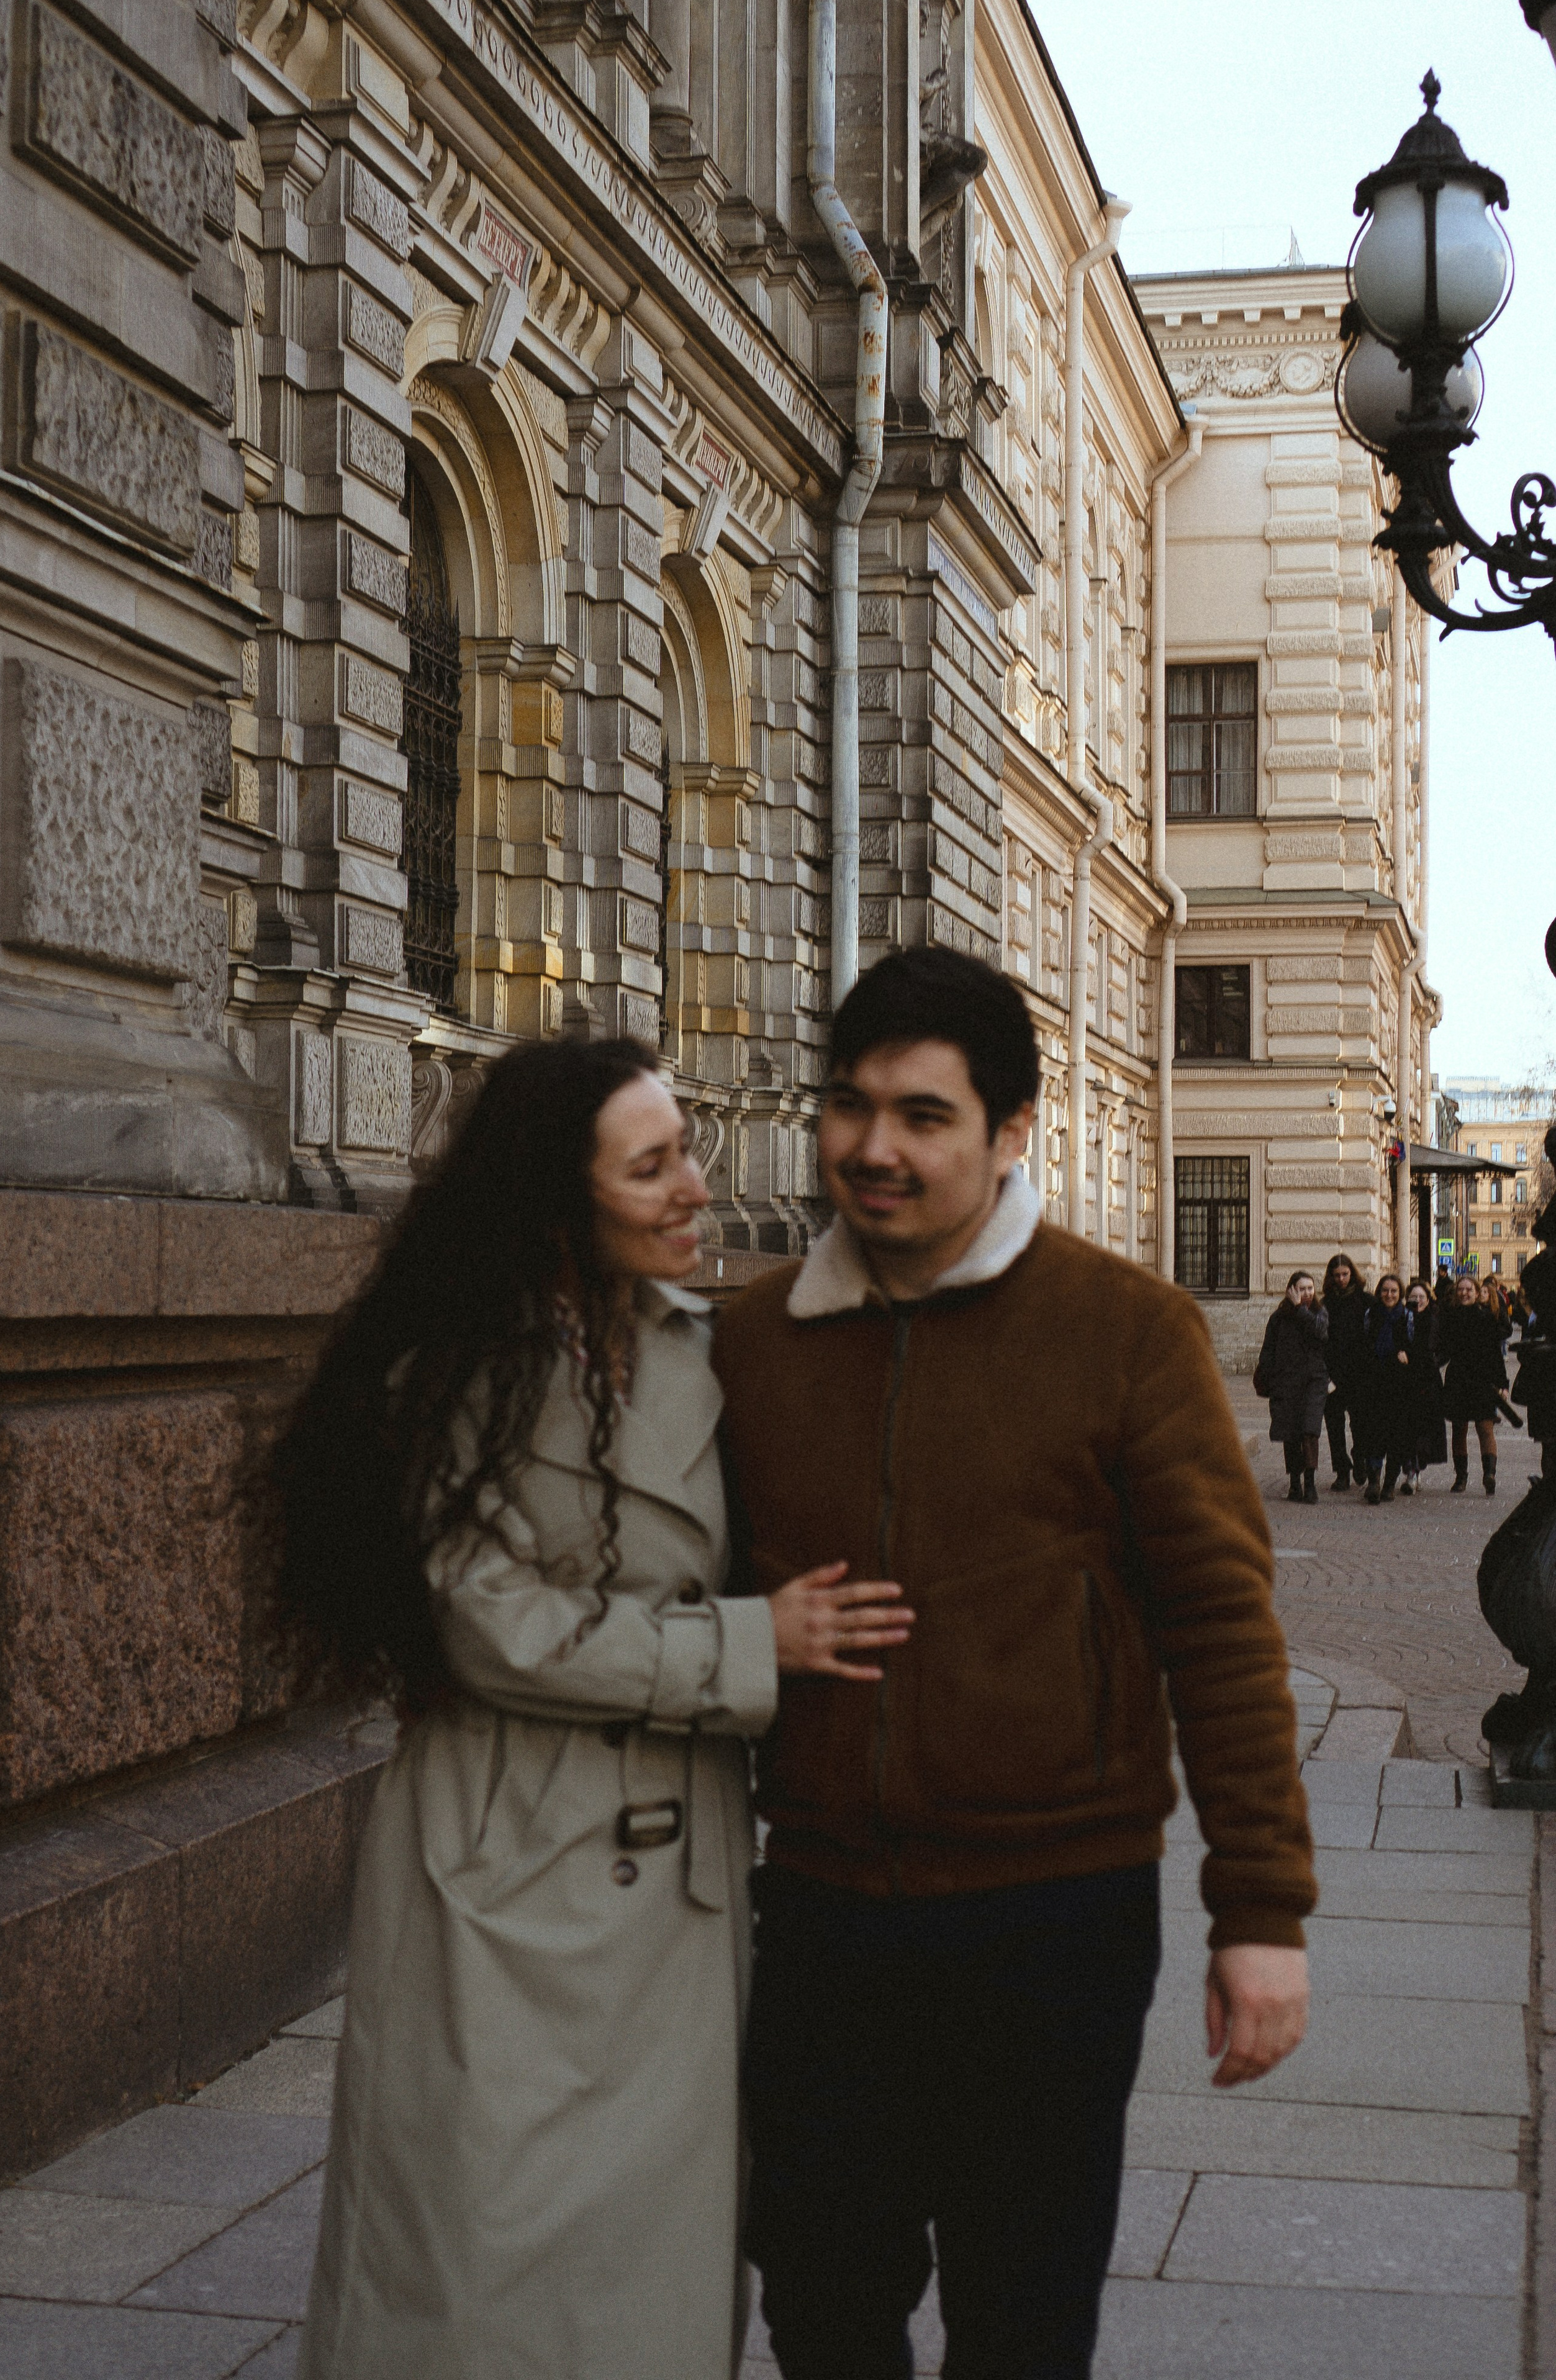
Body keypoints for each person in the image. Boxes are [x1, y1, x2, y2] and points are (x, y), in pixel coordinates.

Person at [266, 1038, 913, 2380]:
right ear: (559, 1203)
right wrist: (747, 1649)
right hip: (502, 1862)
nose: (697, 1187)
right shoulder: (448, 1369)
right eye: (652, 1165)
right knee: (477, 2256)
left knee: (640, 2284)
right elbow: (488, 1625)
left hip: (672, 1878)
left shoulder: (716, 1347)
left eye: (688, 1148)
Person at [712, 948, 1315, 2380]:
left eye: (923, 1115)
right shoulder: (750, 1341)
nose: (874, 1147)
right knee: (818, 2299)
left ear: (1007, 1132)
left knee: (1020, 2320)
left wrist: (1260, 1910)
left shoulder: (1125, 1331)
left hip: (1050, 1920)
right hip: (818, 1911)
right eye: (849, 1106)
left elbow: (1221, 1632)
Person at [1254, 1272, 1330, 1502]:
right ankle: (1295, 1483)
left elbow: (1321, 1334)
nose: (1307, 1293)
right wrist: (1264, 1378)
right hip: (1287, 1382)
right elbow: (1269, 1350)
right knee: (1291, 1433)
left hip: (1314, 1381)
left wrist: (1301, 1310)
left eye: (1310, 1288)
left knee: (1310, 1430)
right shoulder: (1279, 1318)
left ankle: (1310, 1483)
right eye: (1302, 1288)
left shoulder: (1319, 1313)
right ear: (1291, 1290)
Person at [1439, 1269, 1509, 1495]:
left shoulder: (1487, 1317)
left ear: (1478, 1292)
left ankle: (1490, 1474)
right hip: (1458, 1378)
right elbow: (1443, 1350)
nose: (1464, 1293)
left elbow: (1495, 1354)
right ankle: (1461, 1477)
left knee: (1485, 1427)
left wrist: (1503, 1383)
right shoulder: (1450, 1317)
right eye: (1461, 1289)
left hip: (1482, 1379)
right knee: (1459, 1428)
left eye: (1469, 1289)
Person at [1359, 1273, 1416, 1503]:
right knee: (1374, 1434)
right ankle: (1374, 1482)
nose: (1389, 1295)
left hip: (1400, 1384)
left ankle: (1389, 1484)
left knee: (1396, 1436)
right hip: (1375, 1382)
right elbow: (1364, 1343)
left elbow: (1417, 1347)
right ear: (1379, 1292)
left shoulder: (1408, 1317)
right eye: (1385, 1290)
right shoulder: (1371, 1315)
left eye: (1394, 1291)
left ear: (1400, 1294)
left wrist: (1408, 1356)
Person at [1321, 1253, 1371, 1491]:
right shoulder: (1326, 1304)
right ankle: (1342, 1471)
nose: (1341, 1279)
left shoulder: (1365, 1300)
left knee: (1360, 1424)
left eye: (1345, 1274)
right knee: (1334, 1426)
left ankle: (1359, 1458)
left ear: (1352, 1274)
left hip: (1360, 1373)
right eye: (1337, 1275)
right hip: (1333, 1375)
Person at [1401, 1279, 1447, 1493]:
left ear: (1429, 1300)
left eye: (1422, 1297)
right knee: (1406, 1427)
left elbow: (1447, 1347)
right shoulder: (1402, 1319)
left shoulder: (1436, 1320)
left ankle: (1416, 1469)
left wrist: (1434, 1361)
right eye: (1413, 1297)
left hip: (1428, 1382)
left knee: (1424, 1428)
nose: (1417, 1301)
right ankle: (1411, 1470)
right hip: (1405, 1380)